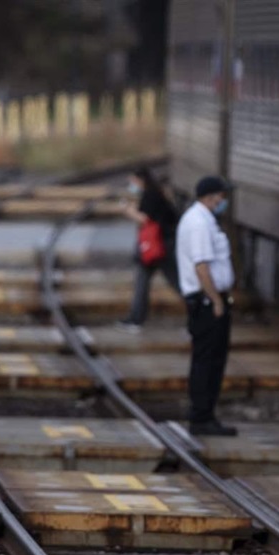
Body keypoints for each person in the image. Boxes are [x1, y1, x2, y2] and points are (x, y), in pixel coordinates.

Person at [177, 175, 237, 437]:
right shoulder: (199, 223)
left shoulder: (201, 219)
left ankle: (205, 415)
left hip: (206, 300)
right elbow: (201, 266)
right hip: (206, 301)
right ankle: (201, 417)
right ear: (211, 196)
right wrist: (215, 300)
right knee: (207, 361)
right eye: (222, 196)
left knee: (211, 360)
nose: (223, 201)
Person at [117, 167, 181, 332]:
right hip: (156, 246)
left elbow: (146, 219)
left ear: (140, 180)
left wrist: (128, 211)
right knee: (142, 282)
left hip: (159, 245)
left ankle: (201, 312)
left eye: (132, 181)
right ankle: (135, 319)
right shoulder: (155, 193)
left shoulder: (151, 195)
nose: (131, 185)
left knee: (176, 281)